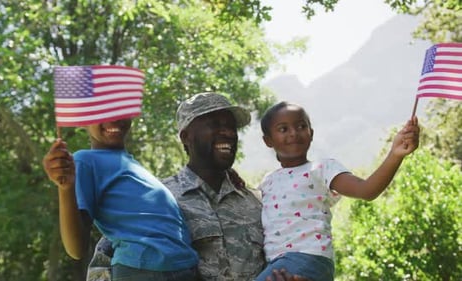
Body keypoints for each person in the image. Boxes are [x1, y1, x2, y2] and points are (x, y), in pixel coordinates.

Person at [87, 93, 307, 281]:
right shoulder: (153, 199)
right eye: (215, 124)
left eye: (231, 127)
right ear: (186, 136)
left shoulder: (258, 202)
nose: (228, 132)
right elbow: (102, 267)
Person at [254, 101, 420, 281]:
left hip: (307, 258)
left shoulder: (322, 168)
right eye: (283, 129)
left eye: (301, 126)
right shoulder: (267, 181)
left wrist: (395, 155)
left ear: (311, 133)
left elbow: (367, 190)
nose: (294, 133)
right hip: (278, 264)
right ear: (268, 140)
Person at [42, 116, 199, 281]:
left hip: (182, 267)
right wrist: (65, 188)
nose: (114, 118)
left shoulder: (129, 163)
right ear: (84, 120)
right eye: (102, 111)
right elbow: (76, 248)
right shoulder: (84, 161)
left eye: (120, 109)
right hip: (144, 270)